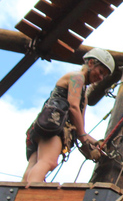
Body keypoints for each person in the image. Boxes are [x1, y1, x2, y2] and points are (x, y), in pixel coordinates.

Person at [22, 48, 114, 182]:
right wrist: (83, 140)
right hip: (54, 127)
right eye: (100, 72)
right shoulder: (77, 77)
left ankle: (21, 195)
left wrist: (96, 143)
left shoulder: (83, 93)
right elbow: (73, 106)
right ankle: (29, 196)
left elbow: (79, 127)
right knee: (48, 161)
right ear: (91, 63)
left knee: (35, 163)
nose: (100, 78)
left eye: (104, 76)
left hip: (45, 126)